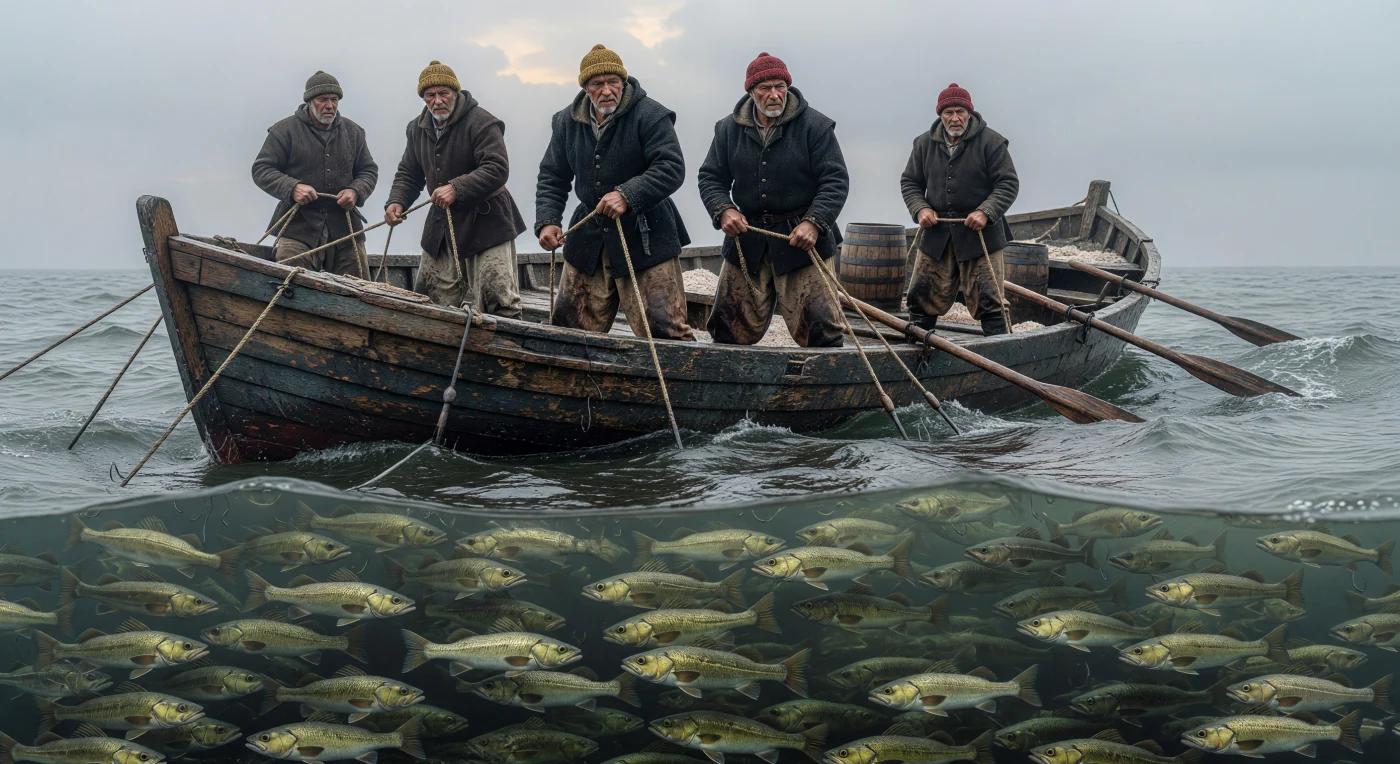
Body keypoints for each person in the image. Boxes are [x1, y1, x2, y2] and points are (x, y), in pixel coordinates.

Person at [535, 44, 694, 340]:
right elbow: (552, 175)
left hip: (647, 234)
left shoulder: (650, 115)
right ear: (585, 88)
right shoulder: (566, 122)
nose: (606, 90)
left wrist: (627, 194)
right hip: (589, 236)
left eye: (613, 82)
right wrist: (547, 220)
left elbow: (671, 167)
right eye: (597, 84)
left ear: (623, 82)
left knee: (663, 329)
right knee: (569, 328)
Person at [697, 52, 848, 347]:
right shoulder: (727, 129)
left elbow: (835, 181)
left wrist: (814, 223)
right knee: (728, 328)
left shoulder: (815, 127)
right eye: (765, 89)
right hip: (747, 238)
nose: (774, 94)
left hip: (802, 240)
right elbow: (711, 178)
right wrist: (723, 210)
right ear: (751, 92)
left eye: (780, 86)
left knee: (821, 330)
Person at [384, 61, 527, 315]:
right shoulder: (416, 129)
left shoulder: (481, 121)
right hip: (442, 225)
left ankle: (506, 352)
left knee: (499, 302)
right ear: (424, 98)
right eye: (430, 95)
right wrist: (397, 202)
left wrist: (456, 188)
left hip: (487, 221)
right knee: (428, 302)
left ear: (455, 92)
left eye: (443, 93)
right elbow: (409, 173)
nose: (437, 100)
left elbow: (497, 168)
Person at [900, 82, 1020, 337]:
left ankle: (998, 357)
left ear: (970, 113)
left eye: (960, 112)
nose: (955, 118)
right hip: (936, 235)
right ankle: (918, 351)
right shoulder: (923, 144)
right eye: (948, 112)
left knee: (990, 299)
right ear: (940, 115)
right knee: (921, 295)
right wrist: (920, 208)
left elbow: (1007, 183)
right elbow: (910, 182)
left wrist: (986, 212)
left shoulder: (992, 143)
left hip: (981, 236)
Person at [252, 71, 377, 276]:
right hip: (298, 228)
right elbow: (261, 169)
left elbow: (368, 171)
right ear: (310, 101)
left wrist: (355, 191)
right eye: (322, 99)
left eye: (334, 99)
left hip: (344, 229)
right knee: (289, 285)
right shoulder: (284, 131)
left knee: (358, 289)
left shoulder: (354, 132)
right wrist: (292, 188)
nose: (330, 105)